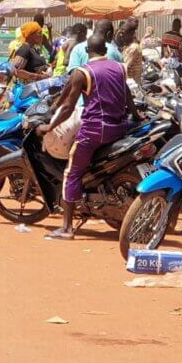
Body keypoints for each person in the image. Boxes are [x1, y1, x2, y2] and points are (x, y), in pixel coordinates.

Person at [41, 33, 140, 239]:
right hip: (119, 128)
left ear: (86, 52)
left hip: (95, 130)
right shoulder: (119, 68)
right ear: (106, 49)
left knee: (71, 172)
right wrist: (136, 115)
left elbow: (68, 107)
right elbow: (127, 94)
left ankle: (67, 228)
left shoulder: (83, 72)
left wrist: (49, 127)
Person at [116, 17, 142, 82]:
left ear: (131, 34)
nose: (121, 35)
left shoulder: (133, 48)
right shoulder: (127, 46)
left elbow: (123, 67)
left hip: (132, 85)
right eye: (120, 32)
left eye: (123, 33)